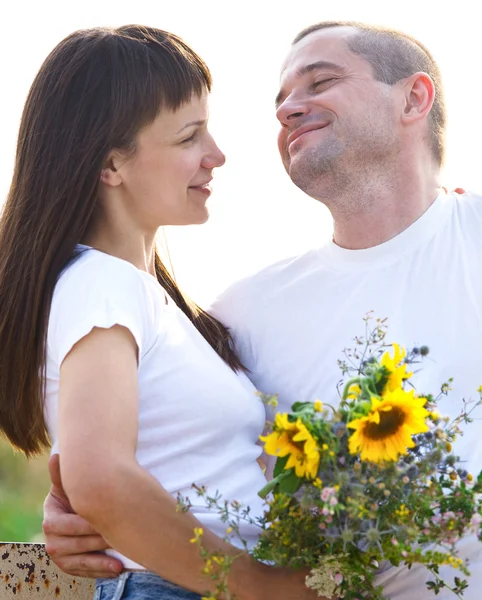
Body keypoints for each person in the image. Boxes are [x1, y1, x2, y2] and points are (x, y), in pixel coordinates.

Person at [42, 20, 482, 598]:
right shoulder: (239, 315)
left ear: (414, 97)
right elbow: (153, 448)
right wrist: (83, 501)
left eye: (320, 82)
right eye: (280, 101)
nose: (288, 109)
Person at [0, 24, 319, 600]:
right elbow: (100, 479)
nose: (216, 156)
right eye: (189, 138)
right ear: (112, 165)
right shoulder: (100, 285)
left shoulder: (139, 295)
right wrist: (263, 587)